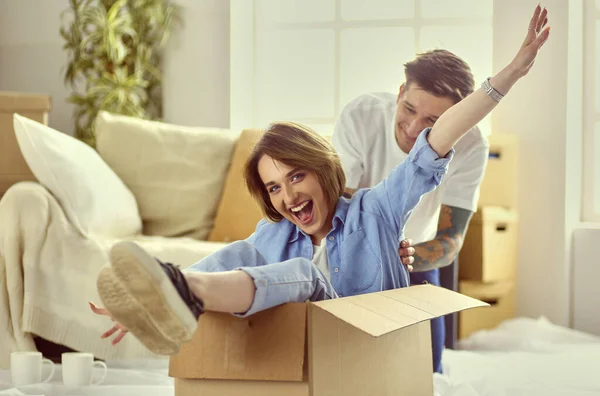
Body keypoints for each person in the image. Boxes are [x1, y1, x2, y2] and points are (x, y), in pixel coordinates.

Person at [91, 6, 551, 361]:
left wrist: (509, 74)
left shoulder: (377, 211)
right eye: (273, 188)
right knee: (237, 263)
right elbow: (223, 263)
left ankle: (186, 292)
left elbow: (439, 149)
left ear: (322, 170)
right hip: (317, 353)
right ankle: (181, 291)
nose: (287, 196)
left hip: (378, 337)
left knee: (327, 290)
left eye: (295, 177)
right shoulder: (275, 235)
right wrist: (142, 302)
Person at [331, 49, 493, 373]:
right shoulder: (362, 115)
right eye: (409, 109)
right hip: (352, 256)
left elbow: (449, 241)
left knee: (427, 375)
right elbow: (338, 210)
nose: (413, 129)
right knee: (346, 369)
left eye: (432, 122)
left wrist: (401, 259)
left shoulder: (472, 145)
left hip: (415, 262)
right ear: (401, 92)